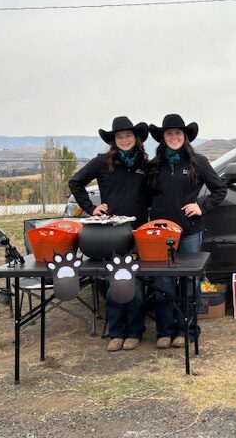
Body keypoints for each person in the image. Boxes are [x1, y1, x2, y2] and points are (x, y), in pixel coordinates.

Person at [68, 116, 150, 352]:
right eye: (119, 136)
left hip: (137, 232)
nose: (124, 140)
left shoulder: (145, 165)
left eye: (128, 135)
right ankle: (116, 332)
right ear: (114, 141)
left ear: (136, 138)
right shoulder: (102, 162)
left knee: (135, 283)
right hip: (111, 233)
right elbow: (75, 182)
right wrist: (91, 208)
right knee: (114, 282)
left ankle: (134, 332)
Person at [148, 113, 227, 348]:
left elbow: (219, 190)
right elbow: (143, 196)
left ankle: (187, 331)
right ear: (163, 137)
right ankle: (164, 332)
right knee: (163, 283)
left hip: (190, 232)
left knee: (190, 284)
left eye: (178, 133)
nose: (174, 137)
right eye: (169, 133)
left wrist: (201, 207)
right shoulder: (154, 166)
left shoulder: (198, 162)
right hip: (160, 235)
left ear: (185, 136)